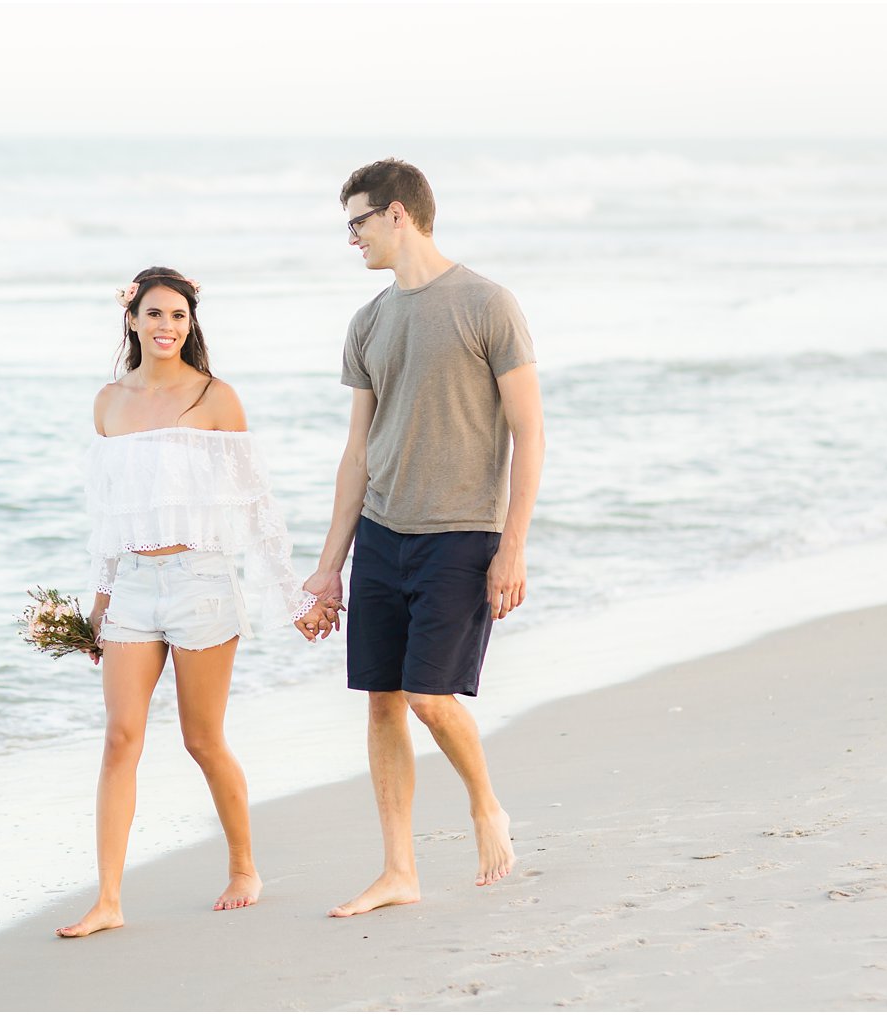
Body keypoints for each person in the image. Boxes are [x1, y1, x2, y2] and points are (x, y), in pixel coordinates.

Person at [301, 159, 546, 917]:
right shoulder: (368, 322)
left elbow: (529, 432)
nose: (353, 239)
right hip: (381, 532)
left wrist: (513, 545)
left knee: (430, 697)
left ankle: (485, 805)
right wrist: (328, 566)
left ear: (398, 214)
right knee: (382, 701)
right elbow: (356, 452)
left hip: (459, 535)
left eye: (359, 222)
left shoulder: (486, 303)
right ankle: (399, 869)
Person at [55, 266, 332, 938]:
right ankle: (110, 899)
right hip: (132, 590)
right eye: (154, 314)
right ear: (131, 320)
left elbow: (257, 504)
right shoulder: (108, 403)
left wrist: (292, 593)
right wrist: (96, 607)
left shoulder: (216, 398)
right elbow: (109, 518)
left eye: (178, 316)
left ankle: (244, 866)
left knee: (201, 738)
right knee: (121, 738)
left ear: (191, 322)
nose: (166, 327)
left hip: (202, 581)